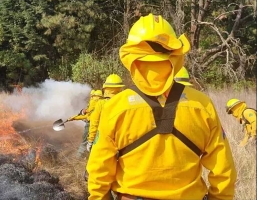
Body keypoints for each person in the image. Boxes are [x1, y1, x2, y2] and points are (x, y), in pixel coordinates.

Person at [86, 14, 236, 200]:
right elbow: (224, 170)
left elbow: (99, 168)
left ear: (130, 58)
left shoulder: (116, 107)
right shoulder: (202, 105)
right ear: (176, 55)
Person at [86, 74, 125, 152]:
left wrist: (91, 140)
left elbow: (94, 123)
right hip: (122, 140)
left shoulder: (101, 104)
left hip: (105, 141)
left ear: (105, 88)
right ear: (120, 88)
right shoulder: (125, 102)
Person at [68, 89, 102, 158]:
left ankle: (78, 157)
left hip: (90, 124)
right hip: (100, 125)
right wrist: (75, 117)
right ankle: (90, 155)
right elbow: (88, 114)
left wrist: (74, 117)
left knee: (84, 142)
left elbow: (88, 115)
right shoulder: (102, 103)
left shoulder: (94, 101)